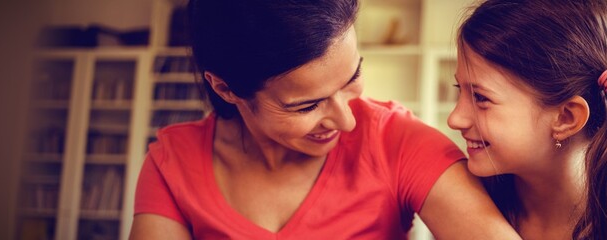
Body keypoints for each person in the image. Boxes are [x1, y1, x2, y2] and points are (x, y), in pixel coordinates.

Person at [129, 0, 520, 239]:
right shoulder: (172, 163)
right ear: (227, 89)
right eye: (306, 106)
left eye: (352, 78)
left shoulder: (400, 142)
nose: (347, 121)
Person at [448, 0, 607, 239]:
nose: (454, 119)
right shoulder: (458, 208)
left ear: (566, 118)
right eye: (460, 88)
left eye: (481, 97)